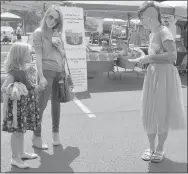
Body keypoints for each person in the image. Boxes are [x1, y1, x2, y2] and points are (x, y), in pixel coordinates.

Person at [136, 2, 186, 163]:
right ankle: (151, 147)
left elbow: (172, 56)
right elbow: (157, 55)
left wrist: (149, 58)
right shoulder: (153, 33)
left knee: (161, 113)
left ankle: (160, 148)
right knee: (150, 111)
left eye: (142, 18)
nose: (141, 21)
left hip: (164, 76)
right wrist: (143, 58)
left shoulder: (164, 32)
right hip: (154, 74)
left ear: (151, 16)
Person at [1, 42, 42, 168]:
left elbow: (28, 87)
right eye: (28, 53)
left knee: (21, 131)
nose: (31, 55)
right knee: (17, 132)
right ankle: (15, 158)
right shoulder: (14, 72)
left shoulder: (23, 69)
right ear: (20, 56)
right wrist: (14, 87)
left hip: (23, 107)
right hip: (17, 109)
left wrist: (36, 87)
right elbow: (4, 88)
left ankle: (21, 153)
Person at [32, 5, 65, 149]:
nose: (52, 21)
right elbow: (38, 55)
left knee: (56, 104)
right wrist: (40, 75)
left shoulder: (57, 33)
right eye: (50, 17)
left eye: (56, 20)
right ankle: (36, 137)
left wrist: (58, 46)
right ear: (46, 15)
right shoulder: (38, 33)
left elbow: (63, 55)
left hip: (59, 71)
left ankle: (55, 133)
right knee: (41, 104)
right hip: (46, 71)